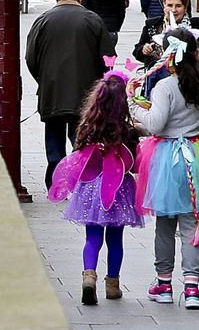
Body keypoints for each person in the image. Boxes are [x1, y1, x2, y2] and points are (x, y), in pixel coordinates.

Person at [129, 27, 199, 310]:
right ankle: (192, 288)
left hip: (167, 158)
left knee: (165, 225)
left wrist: (135, 106)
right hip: (198, 156)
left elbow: (155, 125)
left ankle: (164, 284)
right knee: (192, 225)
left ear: (168, 55)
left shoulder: (165, 87)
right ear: (196, 54)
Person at [48, 69, 145, 305]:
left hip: (90, 189)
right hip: (118, 191)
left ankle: (88, 278)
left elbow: (78, 157)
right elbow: (133, 164)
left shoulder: (86, 129)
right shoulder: (127, 131)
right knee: (115, 240)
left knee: (92, 239)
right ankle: (112, 285)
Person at [25, 0, 112, 188]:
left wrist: (44, 80)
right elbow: (108, 59)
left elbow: (30, 58)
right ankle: (82, 183)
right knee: (81, 141)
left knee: (54, 141)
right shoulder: (93, 20)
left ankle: (56, 184)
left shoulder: (43, 21)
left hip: (52, 93)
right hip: (85, 95)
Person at [132, 0, 199, 96]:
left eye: (178, 6)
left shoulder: (195, 25)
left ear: (185, 7)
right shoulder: (152, 25)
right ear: (164, 5)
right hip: (156, 82)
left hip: (188, 82)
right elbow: (137, 52)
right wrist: (144, 50)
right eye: (170, 5)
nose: (173, 10)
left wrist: (193, 57)